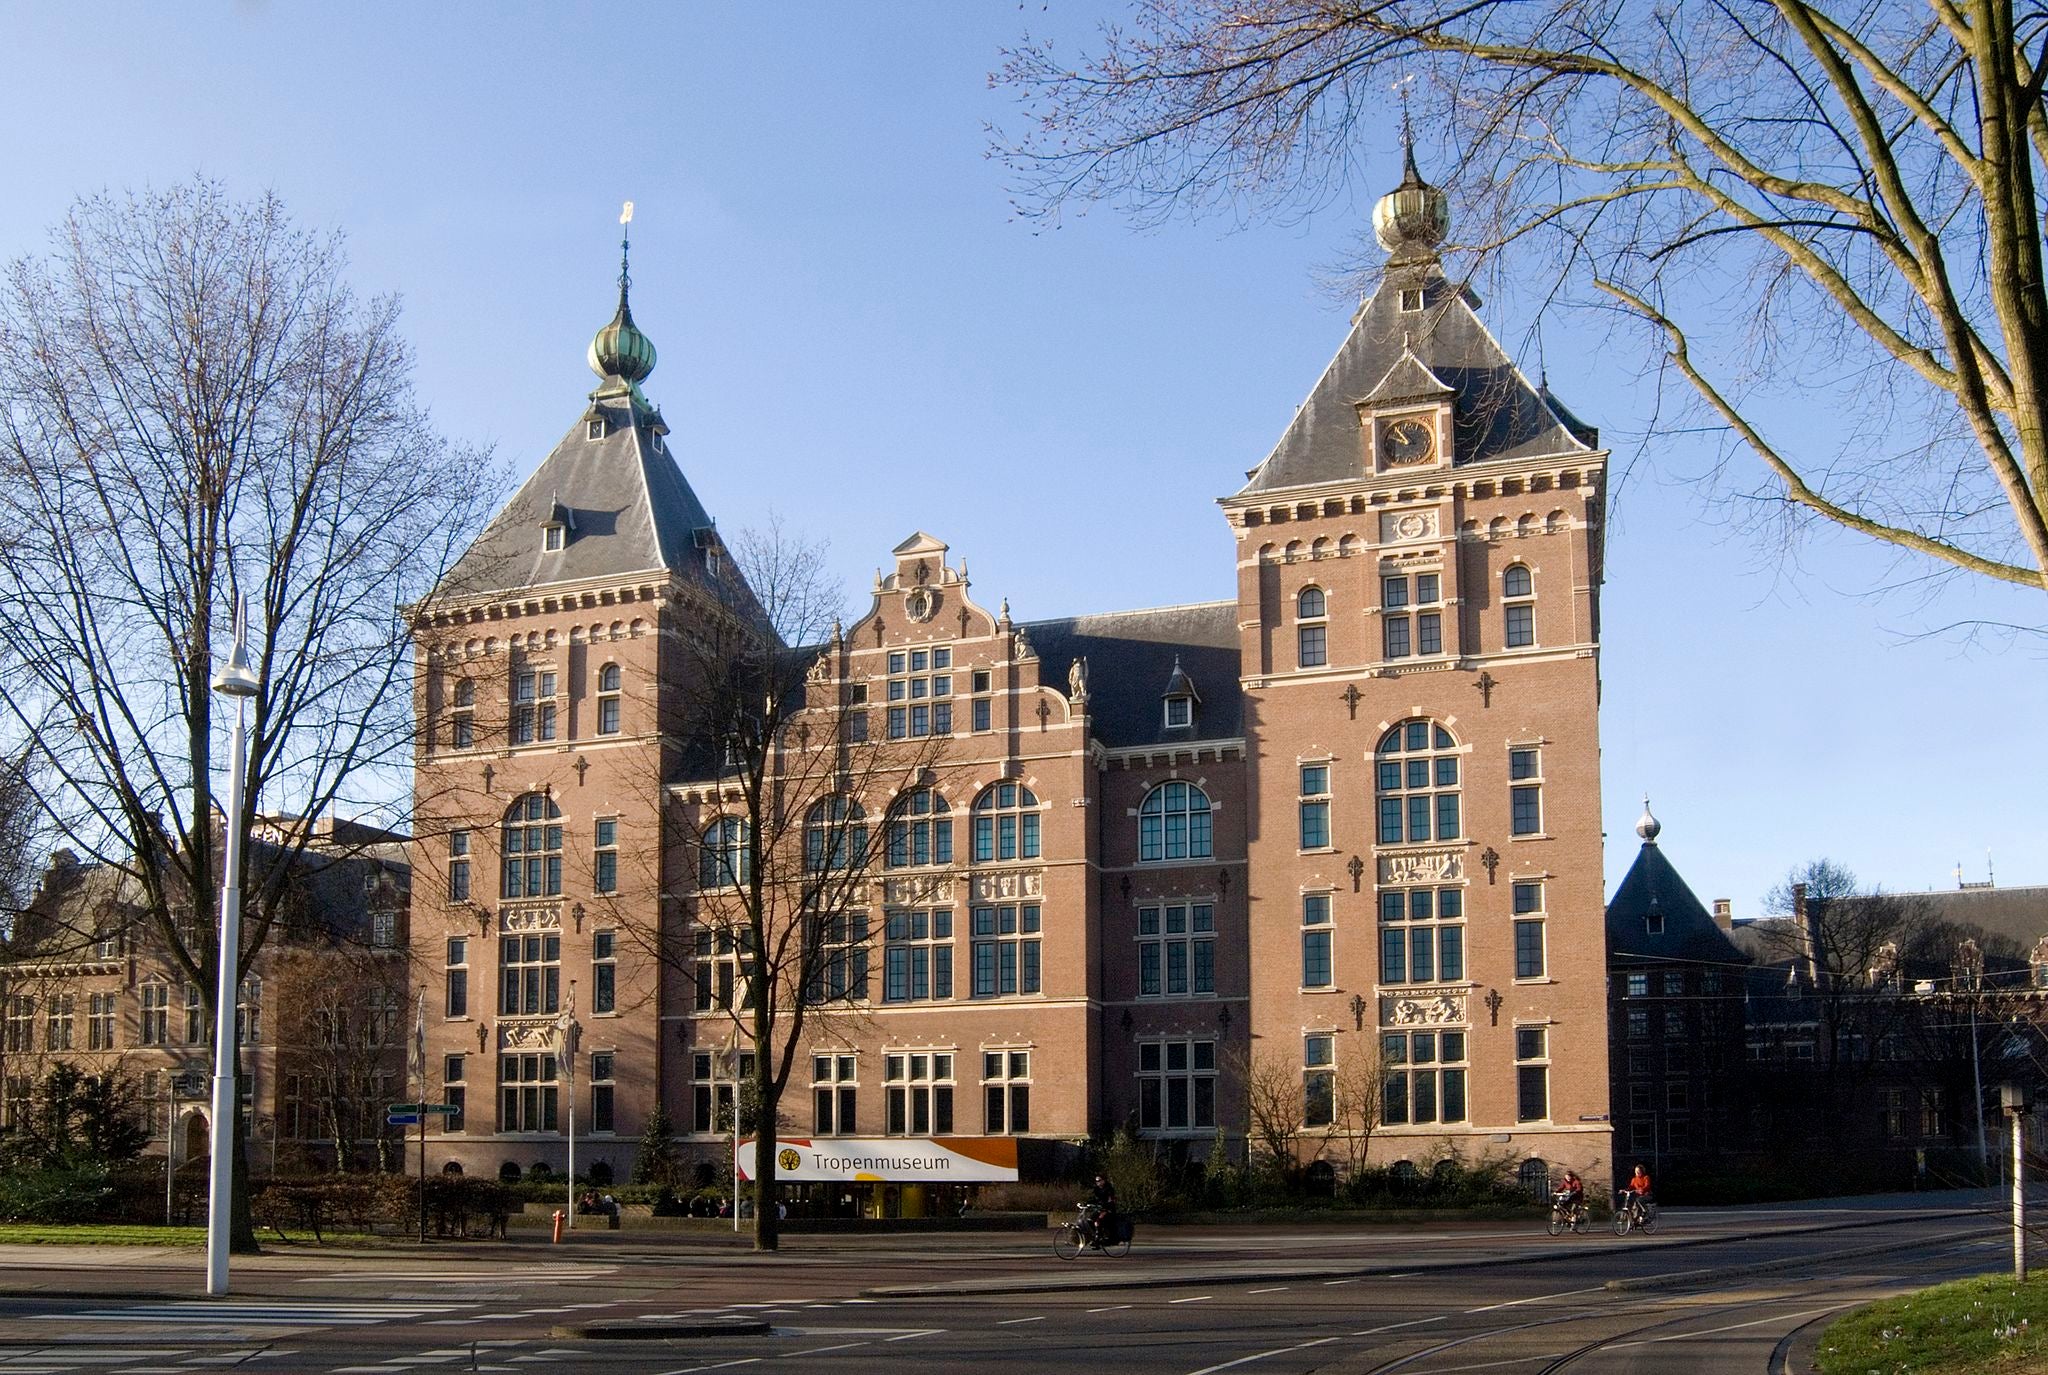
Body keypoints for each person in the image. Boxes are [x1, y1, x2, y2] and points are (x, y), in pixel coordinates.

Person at [1082, 1173, 1118, 1249]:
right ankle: (1095, 1236)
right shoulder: (1097, 1189)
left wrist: (1105, 1206)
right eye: (1096, 1181)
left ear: (1103, 1181)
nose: (1097, 1182)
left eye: (1099, 1180)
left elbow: (1111, 1201)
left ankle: (1098, 1239)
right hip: (1100, 1209)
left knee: (1098, 1221)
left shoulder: (1109, 1189)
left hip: (1109, 1210)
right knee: (1089, 1220)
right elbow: (1095, 1199)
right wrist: (1086, 1203)